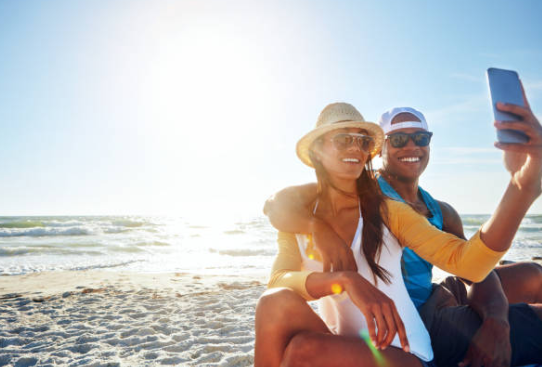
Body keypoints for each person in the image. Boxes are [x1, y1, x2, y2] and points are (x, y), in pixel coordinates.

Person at [255, 96, 542, 367]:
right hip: (352, 339)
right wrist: (342, 279)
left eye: (362, 141)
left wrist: (522, 186)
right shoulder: (300, 214)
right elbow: (278, 279)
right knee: (274, 304)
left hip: (404, 347)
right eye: (343, 139)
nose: (355, 148)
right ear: (317, 149)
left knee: (302, 351)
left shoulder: (387, 210)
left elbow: (470, 263)